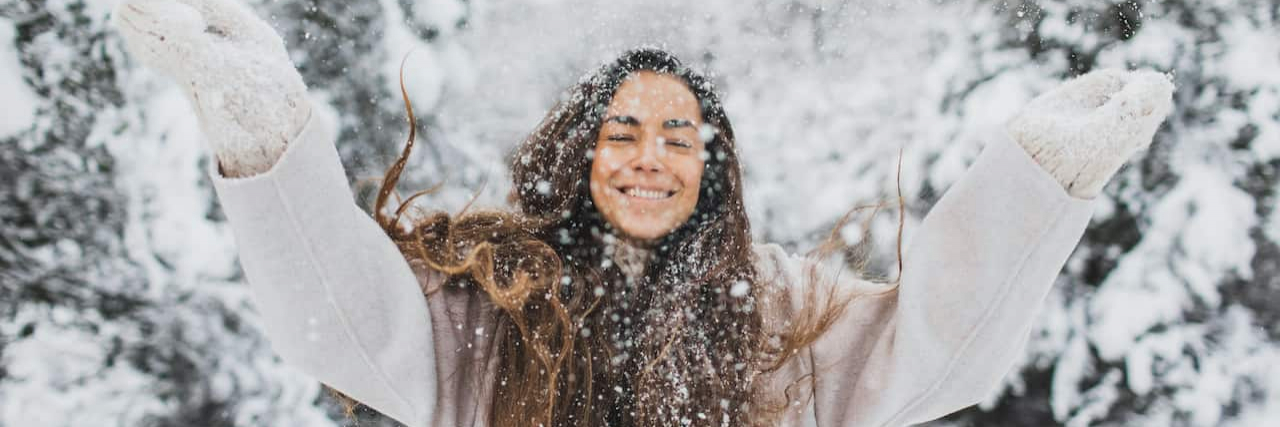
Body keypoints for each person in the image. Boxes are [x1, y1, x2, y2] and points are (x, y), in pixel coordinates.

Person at [112, 1, 1175, 426]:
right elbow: (340, 321)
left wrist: (1039, 174)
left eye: (677, 136)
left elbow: (936, 354)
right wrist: (263, 133)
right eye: (622, 132)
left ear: (713, 168)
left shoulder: (788, 308)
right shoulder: (491, 297)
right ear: (580, 156)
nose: (648, 158)